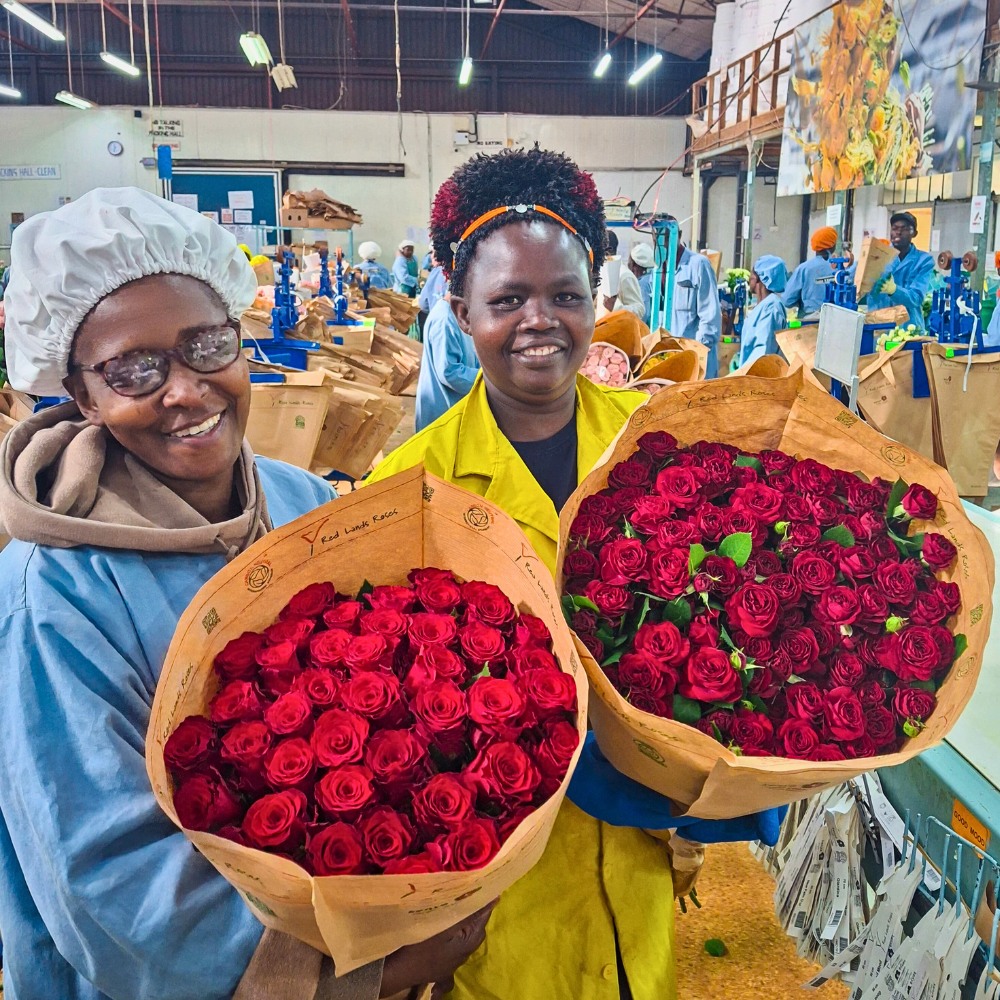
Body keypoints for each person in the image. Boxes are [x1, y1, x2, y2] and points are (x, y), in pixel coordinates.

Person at [0, 187, 492, 1000]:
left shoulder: (307, 506)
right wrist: (349, 980)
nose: (185, 390)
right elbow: (105, 883)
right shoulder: (49, 596)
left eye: (207, 345)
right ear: (81, 394)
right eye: (133, 369)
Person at [366, 148, 784, 1000]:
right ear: (459, 308)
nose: (540, 321)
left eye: (565, 295)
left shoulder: (659, 445)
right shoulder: (407, 490)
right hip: (499, 884)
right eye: (507, 300)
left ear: (596, 301)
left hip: (639, 853)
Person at [651, 219, 722, 378]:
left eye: (667, 238)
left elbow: (710, 316)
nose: (662, 243)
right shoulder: (657, 269)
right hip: (667, 359)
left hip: (695, 360)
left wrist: (698, 352)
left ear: (679, 235)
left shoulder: (698, 264)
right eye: (657, 239)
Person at [414, 293, 480, 433]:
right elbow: (449, 372)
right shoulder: (444, 319)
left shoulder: (457, 316)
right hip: (442, 412)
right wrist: (487, 377)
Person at [866, 211, 935, 330]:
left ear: (915, 233)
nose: (898, 232)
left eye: (905, 228)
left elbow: (916, 298)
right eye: (895, 228)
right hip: (878, 327)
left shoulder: (924, 260)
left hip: (908, 328)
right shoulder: (877, 255)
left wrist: (894, 290)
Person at [737, 254, 789, 369]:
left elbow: (763, 350)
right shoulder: (762, 306)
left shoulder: (771, 308)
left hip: (760, 377)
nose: (749, 277)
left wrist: (744, 373)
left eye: (752, 273)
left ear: (760, 277)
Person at [783, 226, 837, 316]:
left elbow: (787, 300)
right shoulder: (838, 269)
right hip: (834, 320)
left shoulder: (804, 269)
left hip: (809, 320)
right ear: (833, 245)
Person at [606, 243, 652, 324]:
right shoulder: (650, 279)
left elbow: (642, 312)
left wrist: (616, 307)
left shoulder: (632, 279)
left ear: (633, 264)